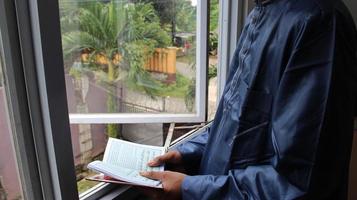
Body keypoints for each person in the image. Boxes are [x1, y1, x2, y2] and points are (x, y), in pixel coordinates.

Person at [140, 0, 357, 199]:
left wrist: (191, 188)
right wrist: (187, 153)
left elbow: (297, 183)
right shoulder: (262, 13)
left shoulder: (319, 23)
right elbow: (237, 121)